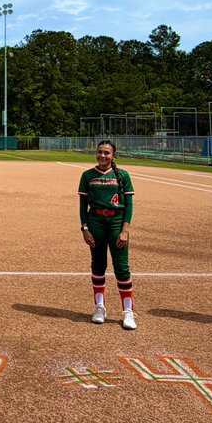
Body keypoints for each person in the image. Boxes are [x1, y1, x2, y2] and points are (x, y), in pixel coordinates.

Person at [78, 139, 137, 329]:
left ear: (113, 155)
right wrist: (85, 229)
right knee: (98, 264)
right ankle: (99, 307)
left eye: (107, 153)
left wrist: (125, 230)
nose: (102, 156)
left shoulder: (123, 176)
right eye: (100, 152)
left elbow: (128, 205)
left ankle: (128, 312)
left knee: (121, 267)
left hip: (116, 223)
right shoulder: (87, 176)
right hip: (95, 222)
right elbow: (82, 207)